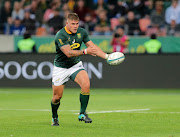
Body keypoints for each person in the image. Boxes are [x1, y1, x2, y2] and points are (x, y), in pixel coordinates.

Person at [51, 13, 109, 126]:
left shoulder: (82, 32)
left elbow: (92, 47)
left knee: (86, 84)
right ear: (67, 23)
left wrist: (107, 57)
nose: (75, 26)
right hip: (61, 68)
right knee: (57, 98)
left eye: (77, 23)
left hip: (75, 65)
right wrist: (85, 51)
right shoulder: (60, 35)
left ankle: (82, 113)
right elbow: (68, 53)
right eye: (73, 24)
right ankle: (54, 116)